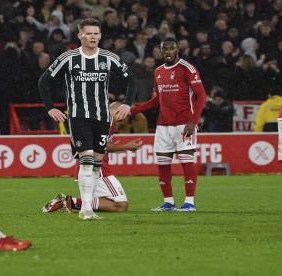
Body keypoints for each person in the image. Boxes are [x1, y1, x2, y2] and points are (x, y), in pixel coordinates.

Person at [38, 18, 137, 220]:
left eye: (96, 33)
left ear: (100, 36)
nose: (92, 37)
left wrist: (127, 103)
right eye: (88, 33)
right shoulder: (69, 58)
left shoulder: (109, 57)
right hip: (78, 116)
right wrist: (50, 108)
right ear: (80, 36)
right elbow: (44, 80)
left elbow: (131, 79)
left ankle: (84, 206)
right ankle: (86, 210)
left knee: (97, 164)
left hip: (102, 117)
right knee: (87, 160)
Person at [130, 37, 207, 212]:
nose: (168, 52)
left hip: (184, 123)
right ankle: (168, 202)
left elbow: (201, 96)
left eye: (171, 48)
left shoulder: (187, 68)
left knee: (186, 161)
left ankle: (189, 202)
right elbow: (158, 99)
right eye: (165, 49)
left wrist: (193, 122)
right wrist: (133, 110)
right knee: (163, 163)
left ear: (177, 49)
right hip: (163, 124)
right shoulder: (158, 71)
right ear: (160, 51)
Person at [41, 102, 142, 213]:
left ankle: (68, 201)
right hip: (99, 168)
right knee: (121, 206)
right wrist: (126, 146)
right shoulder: (105, 122)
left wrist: (118, 148)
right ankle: (69, 201)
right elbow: (98, 145)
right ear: (117, 111)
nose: (125, 119)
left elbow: (99, 145)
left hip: (90, 165)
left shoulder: (106, 121)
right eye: (125, 115)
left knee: (113, 204)